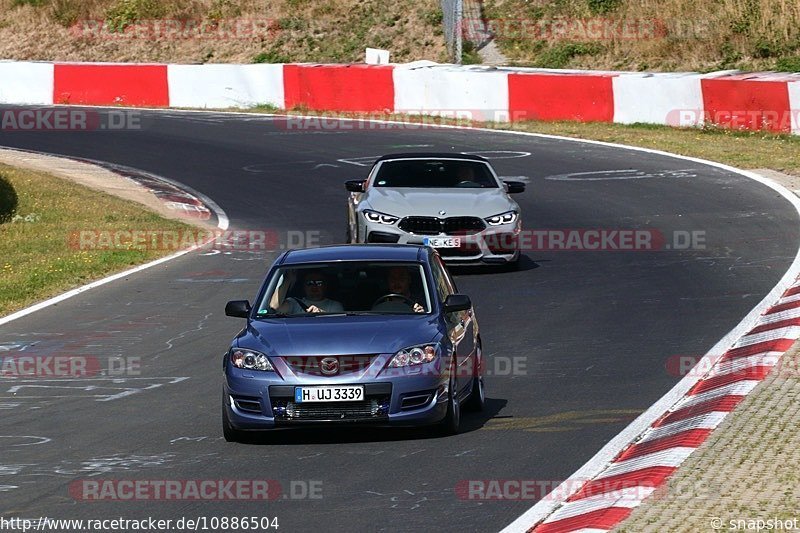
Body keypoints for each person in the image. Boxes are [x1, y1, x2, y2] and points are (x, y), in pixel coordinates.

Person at [270, 269, 344, 314]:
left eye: (319, 283)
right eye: (310, 283)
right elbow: (275, 306)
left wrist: (321, 314)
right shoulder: (294, 303)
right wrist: (288, 279)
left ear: (325, 286)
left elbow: (337, 325)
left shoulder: (334, 306)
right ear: (304, 286)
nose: (314, 287)